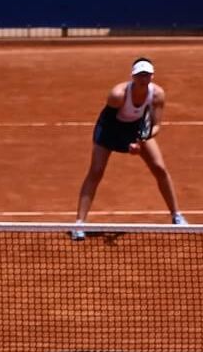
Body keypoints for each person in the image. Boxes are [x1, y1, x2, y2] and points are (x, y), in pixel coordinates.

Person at [73, 58, 185, 241]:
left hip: (137, 128)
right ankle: (79, 223)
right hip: (109, 129)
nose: (144, 78)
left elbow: (156, 126)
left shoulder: (157, 94)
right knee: (96, 171)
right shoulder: (117, 95)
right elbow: (110, 125)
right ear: (133, 76)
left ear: (152, 76)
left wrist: (142, 139)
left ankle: (177, 215)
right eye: (140, 75)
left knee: (159, 168)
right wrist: (127, 144)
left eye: (147, 75)